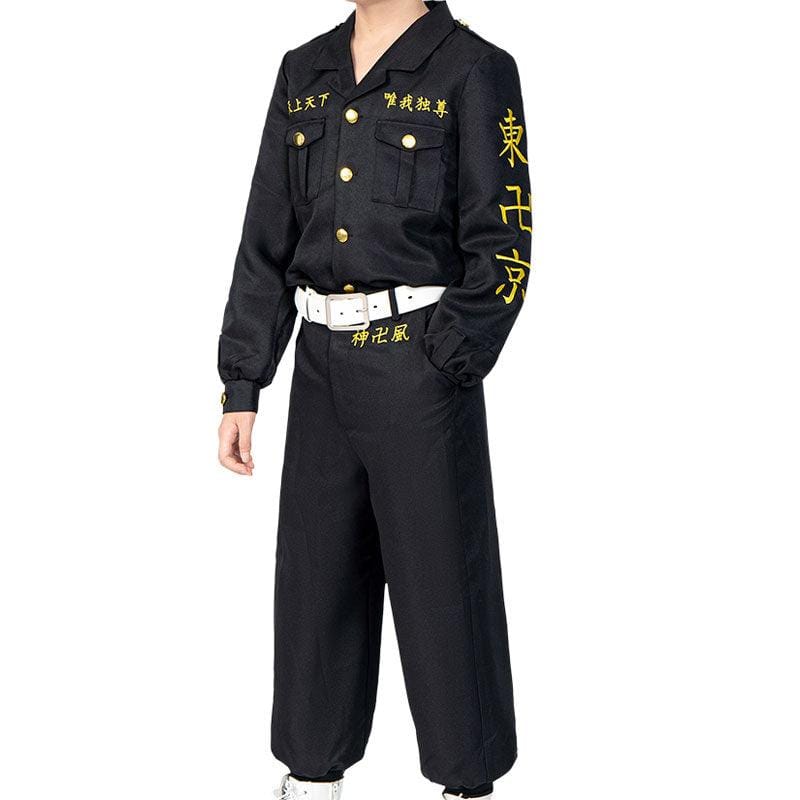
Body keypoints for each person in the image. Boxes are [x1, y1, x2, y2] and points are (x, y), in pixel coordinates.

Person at [217, 1, 531, 798]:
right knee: (314, 590)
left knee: (442, 591)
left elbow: (504, 240)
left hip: (418, 370)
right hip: (319, 369)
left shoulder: (473, 69)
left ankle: (467, 785)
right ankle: (311, 780)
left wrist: (446, 363)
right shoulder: (304, 69)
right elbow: (266, 235)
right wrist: (243, 381)